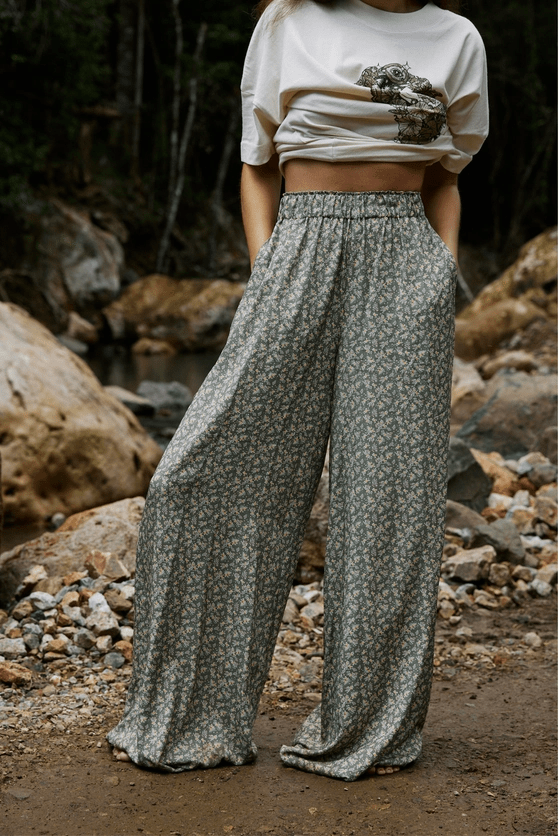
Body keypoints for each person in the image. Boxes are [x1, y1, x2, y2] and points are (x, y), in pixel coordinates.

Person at [107, 0, 488, 781]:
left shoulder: (456, 38)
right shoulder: (288, 20)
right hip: (298, 248)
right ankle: (190, 717)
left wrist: (436, 272)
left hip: (403, 260)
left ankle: (365, 730)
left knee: (387, 500)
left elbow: (444, 178)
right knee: (199, 474)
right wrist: (267, 272)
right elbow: (256, 165)